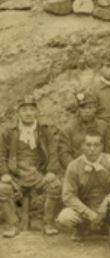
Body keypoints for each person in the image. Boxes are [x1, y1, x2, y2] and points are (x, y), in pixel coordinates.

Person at [0, 96, 62, 237]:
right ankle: (12, 225)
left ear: (37, 112)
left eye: (31, 109)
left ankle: (48, 223)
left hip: (38, 175)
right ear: (18, 113)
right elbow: (1, 155)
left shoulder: (45, 132)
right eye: (24, 110)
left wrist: (51, 171)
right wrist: (4, 173)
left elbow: (53, 153)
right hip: (16, 176)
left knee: (55, 185)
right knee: (2, 189)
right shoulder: (8, 132)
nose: (28, 113)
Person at [57, 132, 110, 240]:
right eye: (88, 145)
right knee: (65, 217)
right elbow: (68, 196)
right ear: (82, 147)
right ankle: (82, 228)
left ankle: (106, 226)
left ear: (102, 147)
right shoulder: (74, 166)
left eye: (96, 145)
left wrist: (107, 202)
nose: (92, 149)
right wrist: (90, 214)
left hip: (108, 208)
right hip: (85, 208)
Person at [58, 92, 108, 169]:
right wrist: (78, 169)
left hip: (100, 167)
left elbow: (109, 151)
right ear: (78, 109)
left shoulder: (103, 126)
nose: (86, 111)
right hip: (77, 169)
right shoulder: (68, 129)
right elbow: (64, 154)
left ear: (95, 109)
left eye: (90, 107)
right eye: (83, 108)